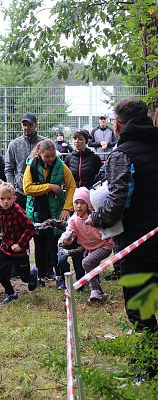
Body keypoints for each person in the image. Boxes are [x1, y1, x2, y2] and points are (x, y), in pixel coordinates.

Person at [87, 97, 158, 331]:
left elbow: (117, 201)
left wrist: (96, 218)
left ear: (117, 124)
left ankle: (148, 362)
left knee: (141, 307)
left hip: (137, 242)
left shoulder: (122, 155)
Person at [23, 139, 76, 284]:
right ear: (39, 153)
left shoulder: (61, 165)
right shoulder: (31, 167)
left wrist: (67, 207)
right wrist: (49, 187)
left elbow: (72, 186)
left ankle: (60, 276)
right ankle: (40, 276)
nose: (51, 159)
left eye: (53, 156)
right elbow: (27, 189)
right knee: (39, 244)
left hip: (56, 210)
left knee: (55, 244)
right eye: (47, 156)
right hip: (37, 210)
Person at [0, 182, 38, 304]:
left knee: (25, 277)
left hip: (20, 250)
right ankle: (11, 294)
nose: (5, 201)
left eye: (8, 198)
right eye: (2, 199)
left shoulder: (18, 211)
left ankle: (32, 274)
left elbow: (30, 228)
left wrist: (21, 244)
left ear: (14, 198)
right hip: (5, 248)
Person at [63, 187, 113, 303]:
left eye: (82, 203)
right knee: (89, 269)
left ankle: (95, 291)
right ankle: (100, 295)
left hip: (104, 246)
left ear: (88, 204)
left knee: (86, 262)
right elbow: (69, 234)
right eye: (76, 203)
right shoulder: (73, 220)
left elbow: (106, 228)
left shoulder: (94, 216)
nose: (79, 206)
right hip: (91, 249)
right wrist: (67, 238)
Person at [5, 112, 47, 209]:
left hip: (41, 190)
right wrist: (12, 187)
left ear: (36, 125)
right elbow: (9, 168)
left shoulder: (44, 143)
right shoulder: (14, 144)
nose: (26, 127)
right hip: (20, 192)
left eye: (30, 124)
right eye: (24, 125)